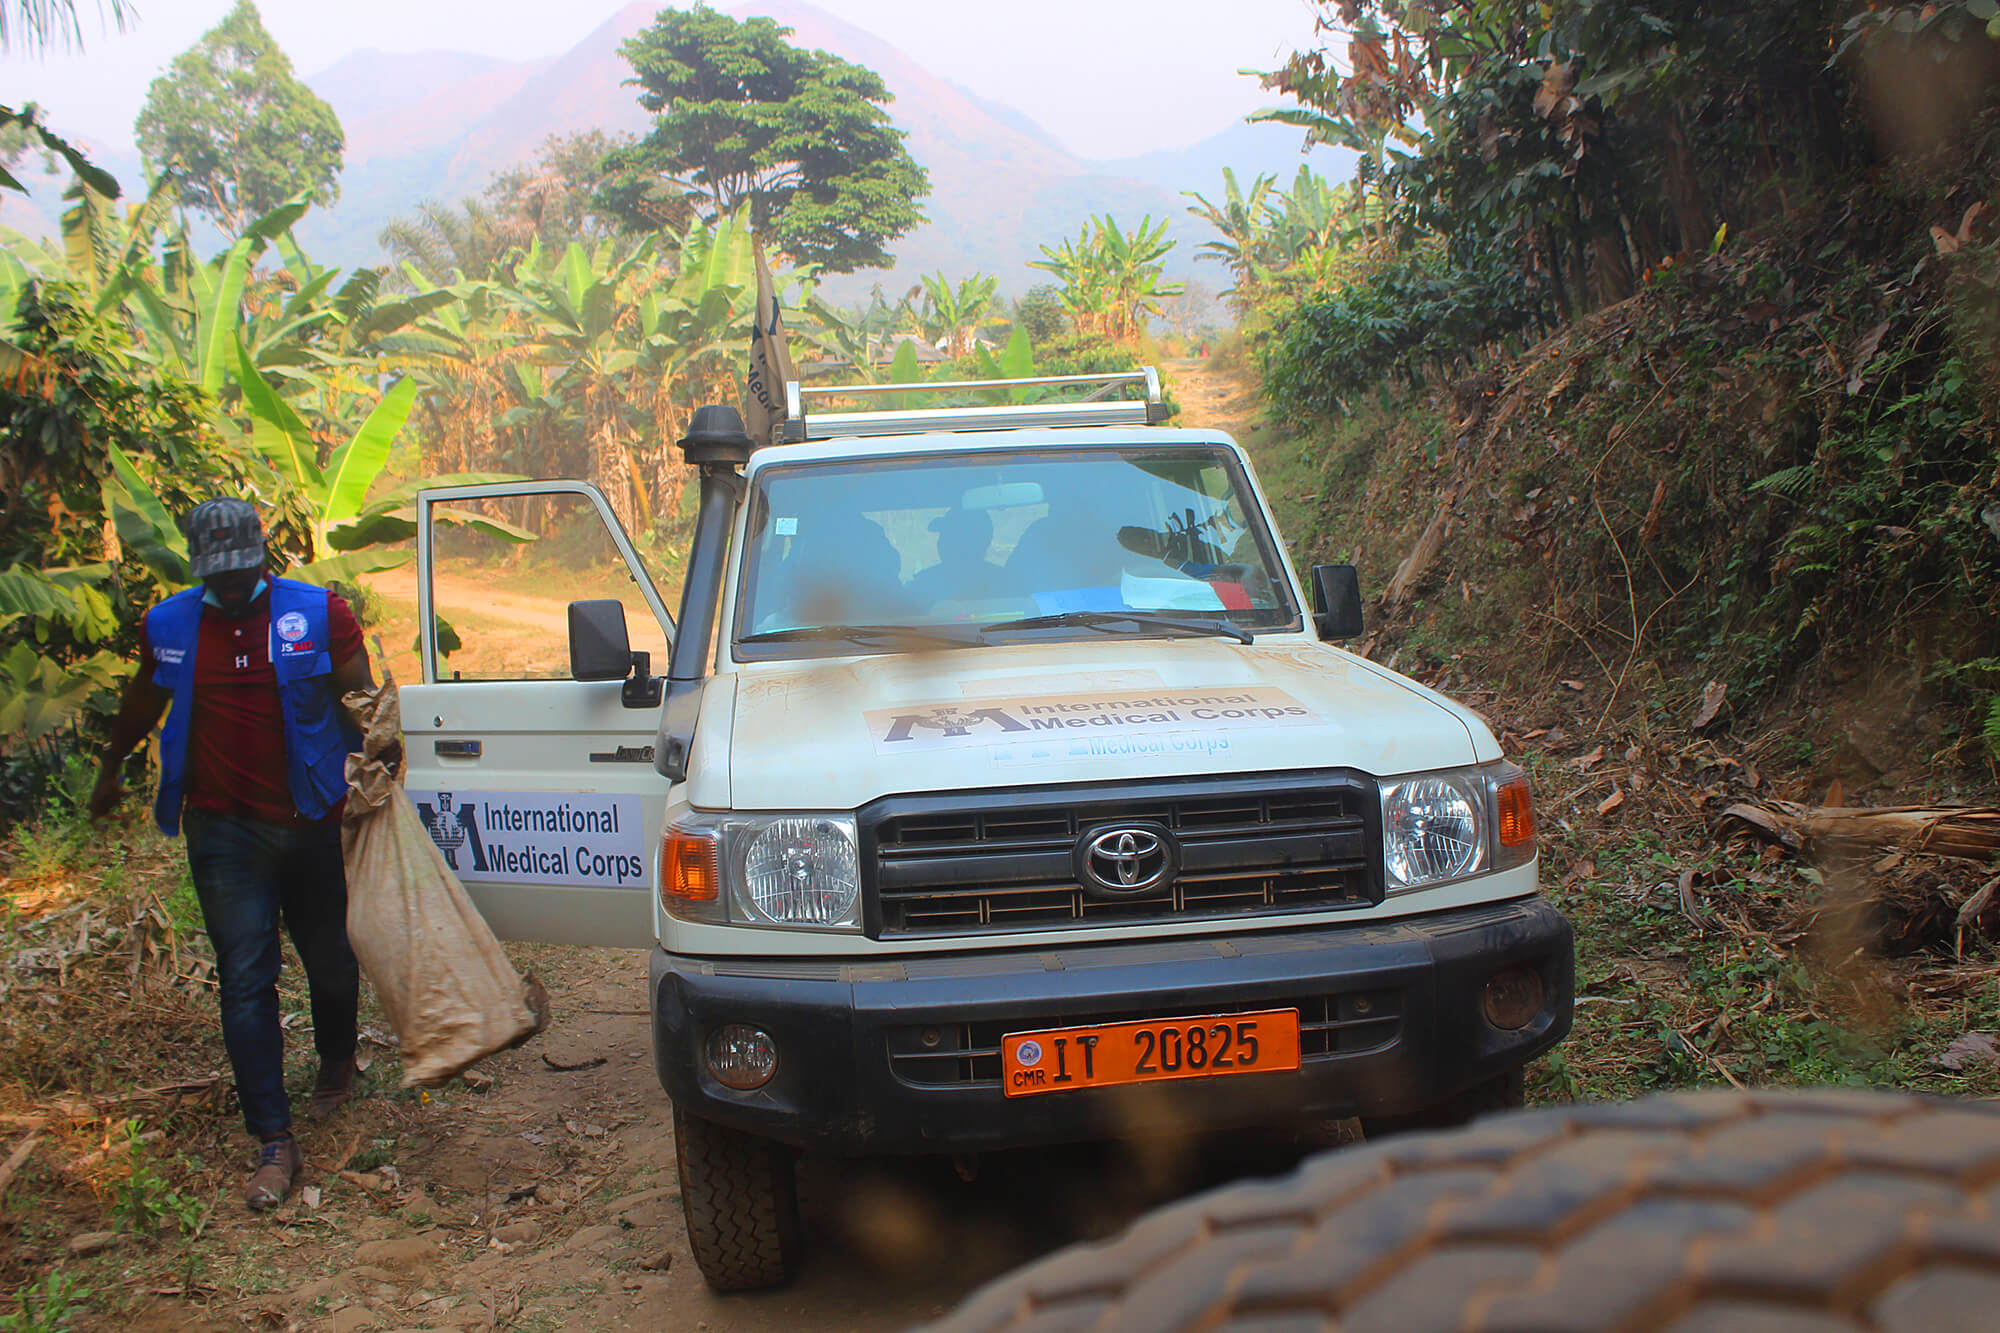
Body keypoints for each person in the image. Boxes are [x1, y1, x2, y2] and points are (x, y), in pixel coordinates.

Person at [89, 498, 378, 1212]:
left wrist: (383, 766)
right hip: (223, 831)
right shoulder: (170, 623)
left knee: (332, 962)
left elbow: (363, 697)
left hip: (312, 817)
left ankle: (337, 1058)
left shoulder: (319, 613)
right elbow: (142, 700)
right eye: (214, 576)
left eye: (239, 571)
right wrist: (111, 764)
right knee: (245, 975)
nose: (226, 585)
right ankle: (275, 1138)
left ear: (262, 556)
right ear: (199, 569)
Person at [907, 507, 1012, 609]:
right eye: (943, 536)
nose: (942, 542)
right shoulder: (922, 584)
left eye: (952, 536)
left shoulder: (1005, 585)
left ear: (980, 541)